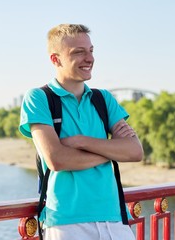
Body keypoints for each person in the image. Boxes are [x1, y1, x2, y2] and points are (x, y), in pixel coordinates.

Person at [19, 23, 144, 240]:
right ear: (55, 59)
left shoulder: (103, 99)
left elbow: (135, 152)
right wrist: (111, 150)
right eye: (79, 52)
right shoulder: (39, 98)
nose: (90, 58)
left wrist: (80, 141)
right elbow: (57, 159)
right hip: (66, 222)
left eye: (91, 51)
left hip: (114, 218)